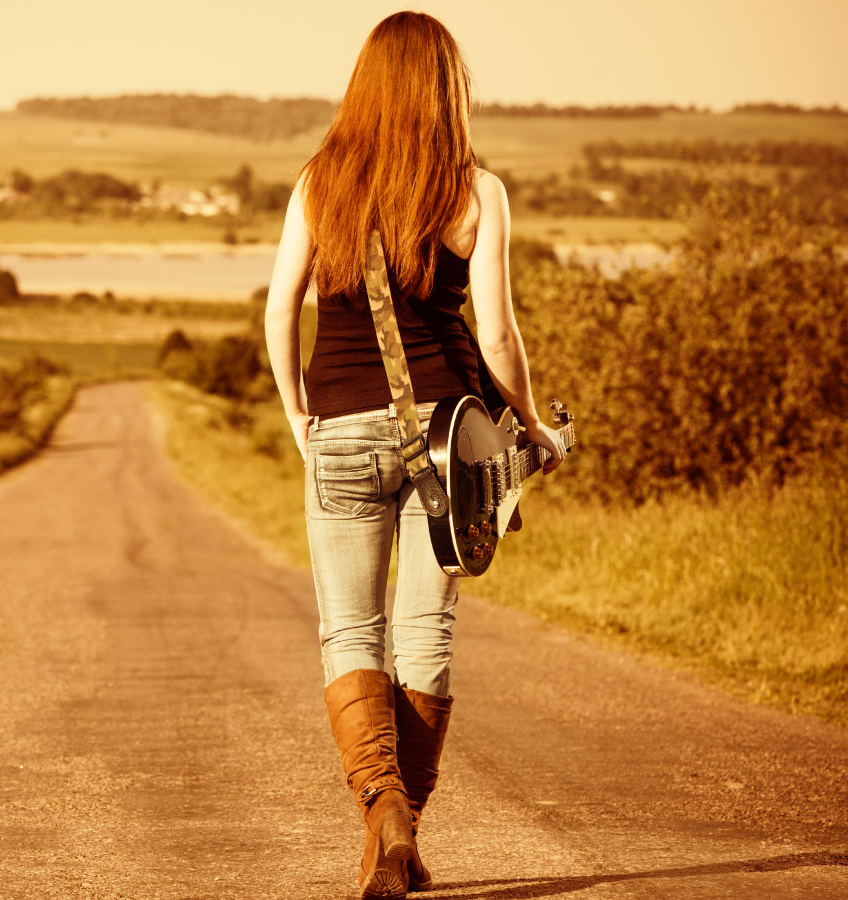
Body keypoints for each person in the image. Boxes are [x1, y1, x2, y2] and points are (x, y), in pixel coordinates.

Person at [262, 11, 566, 899]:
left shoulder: (320, 184)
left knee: (350, 631)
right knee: (424, 630)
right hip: (453, 437)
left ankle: (383, 816)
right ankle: (404, 824)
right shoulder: (477, 192)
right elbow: (500, 336)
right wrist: (535, 424)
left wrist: (298, 414)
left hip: (344, 426)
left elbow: (281, 312)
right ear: (447, 87)